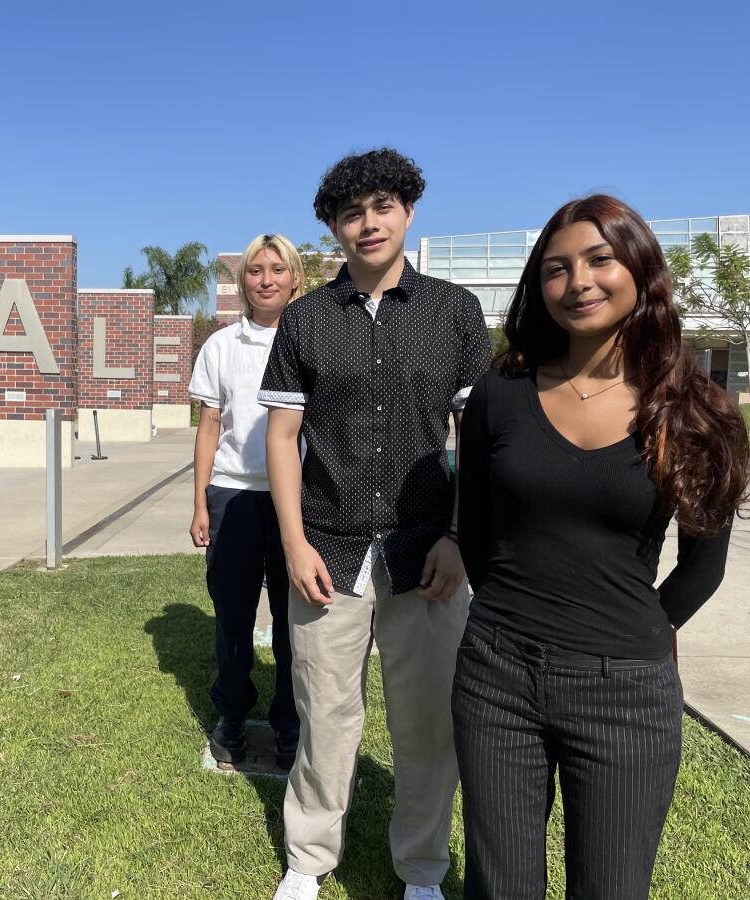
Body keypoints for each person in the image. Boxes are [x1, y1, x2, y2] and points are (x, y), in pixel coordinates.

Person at [453, 194, 750, 900]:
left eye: (599, 259)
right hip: (495, 675)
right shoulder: (502, 390)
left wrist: (639, 631)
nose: (578, 282)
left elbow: (702, 568)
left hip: (626, 692)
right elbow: (475, 531)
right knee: (499, 888)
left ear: (640, 269)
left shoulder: (693, 406)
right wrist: (507, 614)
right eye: (556, 269)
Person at [260, 149, 491, 900]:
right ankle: (308, 860)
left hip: (429, 552)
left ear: (409, 212)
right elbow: (282, 439)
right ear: (333, 226)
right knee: (325, 717)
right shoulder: (303, 321)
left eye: (383, 206)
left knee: (427, 726)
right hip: (327, 547)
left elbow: (479, 438)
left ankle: (421, 869)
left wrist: (462, 538)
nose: (369, 223)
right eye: (352, 213)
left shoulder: (454, 311)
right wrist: (293, 542)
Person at [188, 233, 305, 770]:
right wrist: (199, 504)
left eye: (277, 269)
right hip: (234, 495)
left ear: (294, 278)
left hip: (297, 502)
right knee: (233, 619)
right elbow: (209, 427)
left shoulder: (313, 339)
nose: (266, 279)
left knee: (292, 621)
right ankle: (232, 714)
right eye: (255, 271)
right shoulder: (221, 346)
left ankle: (289, 722)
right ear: (243, 282)